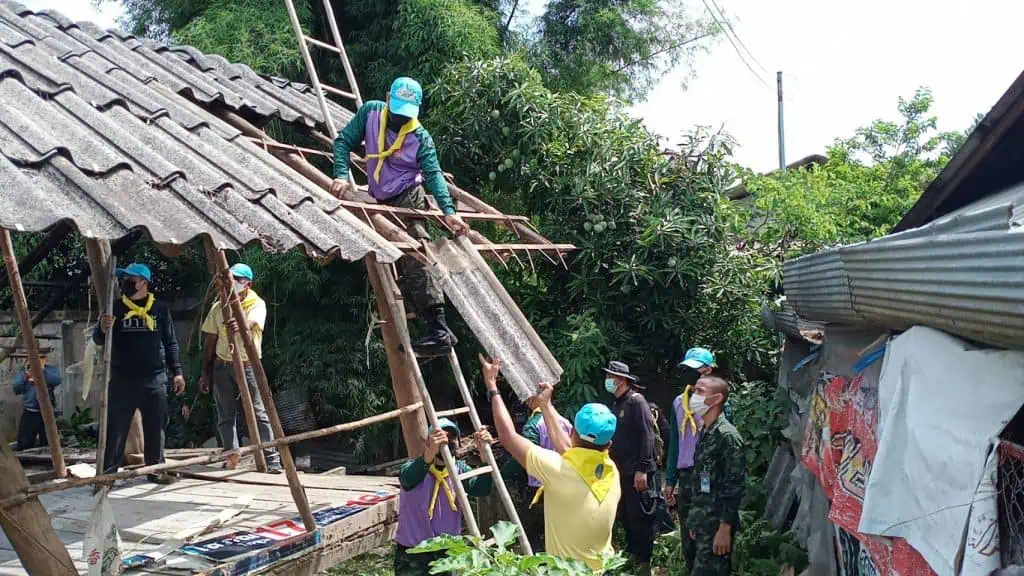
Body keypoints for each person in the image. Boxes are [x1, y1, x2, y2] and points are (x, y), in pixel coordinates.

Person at [330, 77, 469, 358]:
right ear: (387, 98)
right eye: (396, 111)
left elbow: (434, 176)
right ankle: (434, 328)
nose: (399, 118)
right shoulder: (370, 112)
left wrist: (449, 213)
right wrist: (341, 175)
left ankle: (439, 329)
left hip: (408, 197)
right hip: (381, 197)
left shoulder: (420, 138)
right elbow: (343, 142)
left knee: (417, 254)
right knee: (399, 261)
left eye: (405, 113)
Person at [483, 355, 620, 570]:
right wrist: (546, 406)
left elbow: (507, 437)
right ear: (608, 443)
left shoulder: (558, 470)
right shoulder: (610, 470)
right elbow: (568, 449)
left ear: (573, 431)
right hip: (603, 569)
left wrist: (492, 386)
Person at [94, 263, 185, 482]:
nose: (125, 283)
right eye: (124, 279)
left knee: (156, 429)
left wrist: (177, 372)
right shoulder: (114, 308)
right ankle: (108, 477)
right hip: (122, 379)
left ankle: (155, 471)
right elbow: (99, 340)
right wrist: (102, 327)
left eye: (130, 279)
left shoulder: (160, 310)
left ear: (143, 282)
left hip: (154, 379)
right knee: (116, 430)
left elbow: (170, 343)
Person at [199, 263, 281, 473]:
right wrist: (205, 373)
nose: (231, 282)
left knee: (258, 411)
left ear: (247, 284)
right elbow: (210, 341)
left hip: (247, 365)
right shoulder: (218, 307)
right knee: (225, 413)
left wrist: (239, 322)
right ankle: (231, 455)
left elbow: (249, 323)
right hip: (222, 364)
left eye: (236, 279)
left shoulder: (257, 304)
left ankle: (272, 459)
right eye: (229, 278)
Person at [394, 418, 493, 575]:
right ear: (428, 441)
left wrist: (485, 458)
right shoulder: (414, 467)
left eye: (452, 437)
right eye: (440, 436)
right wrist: (430, 452)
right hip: (413, 552)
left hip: (446, 552)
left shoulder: (459, 470)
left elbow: (481, 489)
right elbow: (408, 478)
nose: (447, 441)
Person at [687, 375, 746, 576]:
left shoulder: (727, 436)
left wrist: (724, 529)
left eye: (700, 392)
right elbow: (702, 480)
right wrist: (695, 520)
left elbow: (734, 486)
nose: (694, 396)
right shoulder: (706, 430)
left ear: (717, 398)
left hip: (717, 525)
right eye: (695, 390)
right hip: (703, 522)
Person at [665, 346, 717, 569]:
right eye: (688, 369)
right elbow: (675, 444)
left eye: (697, 370)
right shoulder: (679, 403)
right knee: (688, 534)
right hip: (687, 476)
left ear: (708, 370)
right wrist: (670, 479)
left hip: (708, 474)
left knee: (707, 531)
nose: (693, 374)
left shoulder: (718, 402)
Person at [604, 360, 658, 575]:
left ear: (622, 380)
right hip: (621, 471)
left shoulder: (637, 402)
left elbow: (648, 436)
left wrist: (643, 469)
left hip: (637, 471)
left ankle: (645, 560)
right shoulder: (617, 404)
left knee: (640, 516)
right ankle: (632, 555)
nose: (608, 380)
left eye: (611, 377)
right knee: (626, 516)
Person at [501, 393, 573, 552]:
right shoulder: (565, 422)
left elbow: (522, 458)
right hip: (565, 487)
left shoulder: (533, 425)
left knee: (535, 538)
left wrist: (502, 473)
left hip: (539, 493)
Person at [12, 350, 61, 450]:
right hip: (31, 412)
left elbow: (56, 380)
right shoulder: (24, 372)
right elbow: (16, 389)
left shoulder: (50, 370)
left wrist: (41, 371)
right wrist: (26, 376)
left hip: (47, 412)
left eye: (41, 358)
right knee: (25, 442)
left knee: (49, 442)